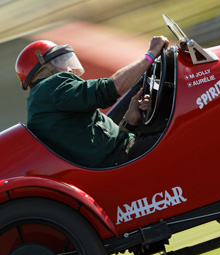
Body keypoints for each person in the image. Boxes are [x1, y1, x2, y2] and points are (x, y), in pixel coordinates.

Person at [15, 36, 169, 168]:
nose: (68, 68)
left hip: (115, 158)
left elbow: (93, 144)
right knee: (184, 136)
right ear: (45, 68)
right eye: (61, 61)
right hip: (121, 158)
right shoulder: (52, 86)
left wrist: (129, 120)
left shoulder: (41, 101)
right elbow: (113, 87)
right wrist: (152, 53)